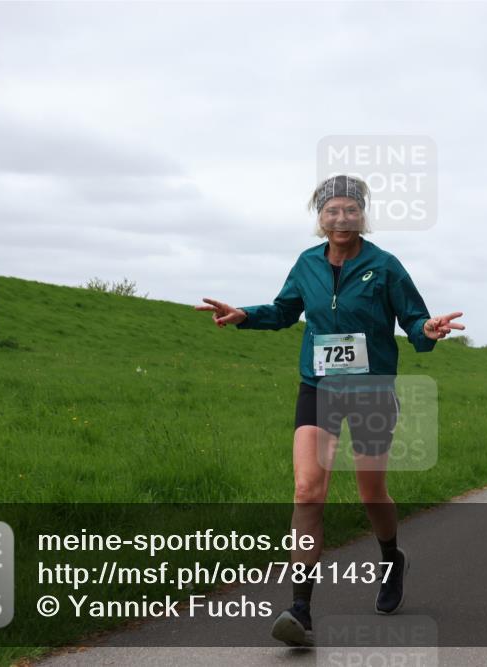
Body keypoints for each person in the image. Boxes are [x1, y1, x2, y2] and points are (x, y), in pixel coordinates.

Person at [196, 175, 464, 647]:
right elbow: (284, 310)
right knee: (306, 490)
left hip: (371, 391)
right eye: (331, 210)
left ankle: (390, 558)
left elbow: (414, 320)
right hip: (317, 387)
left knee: (370, 492)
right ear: (319, 217)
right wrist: (245, 315)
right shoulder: (307, 264)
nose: (341, 218)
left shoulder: (385, 267)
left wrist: (429, 329)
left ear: (362, 215)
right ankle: (300, 609)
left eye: (350, 209)